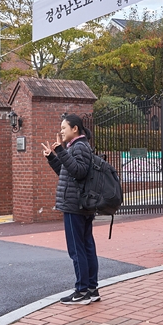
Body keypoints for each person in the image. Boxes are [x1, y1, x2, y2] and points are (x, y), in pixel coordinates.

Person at [42, 114, 100, 305]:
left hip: (75, 206)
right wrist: (52, 157)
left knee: (77, 249)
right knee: (86, 246)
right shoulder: (76, 147)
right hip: (79, 204)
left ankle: (82, 290)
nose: (61, 131)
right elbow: (67, 173)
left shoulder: (79, 146)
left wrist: (60, 150)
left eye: (64, 128)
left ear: (75, 129)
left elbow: (79, 171)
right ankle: (91, 289)